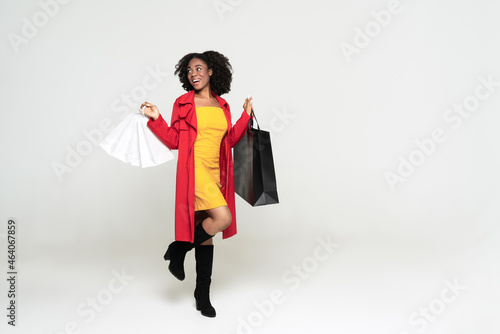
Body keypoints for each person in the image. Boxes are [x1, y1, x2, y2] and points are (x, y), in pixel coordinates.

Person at [140, 50, 253, 318]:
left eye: (199, 69)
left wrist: (245, 116)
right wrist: (157, 119)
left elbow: (230, 139)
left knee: (207, 236)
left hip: (217, 173)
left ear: (211, 71)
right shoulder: (183, 103)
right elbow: (174, 141)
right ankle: (177, 249)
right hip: (195, 171)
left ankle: (202, 295)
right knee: (222, 217)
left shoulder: (222, 105)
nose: (194, 74)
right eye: (189, 71)